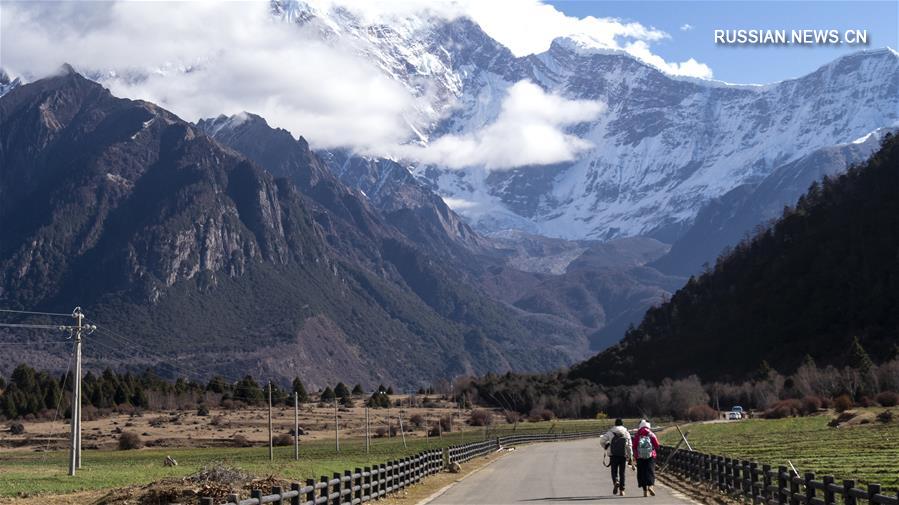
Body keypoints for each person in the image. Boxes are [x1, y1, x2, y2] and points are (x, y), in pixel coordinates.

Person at [599, 418, 634, 495]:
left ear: (615, 424)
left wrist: (606, 446)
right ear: (622, 424)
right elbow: (629, 445)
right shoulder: (626, 432)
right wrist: (630, 456)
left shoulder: (610, 432)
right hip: (623, 455)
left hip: (613, 455)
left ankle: (616, 481)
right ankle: (622, 490)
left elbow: (602, 441)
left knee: (614, 471)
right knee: (622, 473)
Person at [633, 419, 661, 497]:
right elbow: (657, 445)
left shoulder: (637, 434)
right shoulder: (651, 434)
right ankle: (650, 486)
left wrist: (635, 456)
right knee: (650, 471)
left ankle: (645, 491)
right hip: (650, 455)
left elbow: (634, 446)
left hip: (639, 456)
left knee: (642, 473)